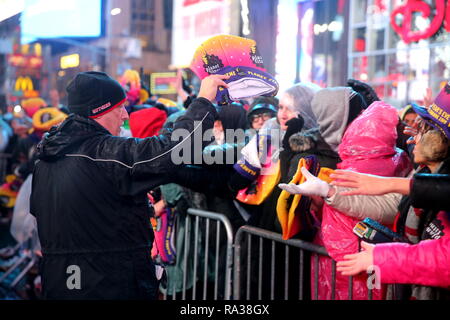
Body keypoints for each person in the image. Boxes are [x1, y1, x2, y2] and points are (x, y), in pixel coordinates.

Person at [30, 71, 228, 300]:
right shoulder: (103, 153)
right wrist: (203, 101)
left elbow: (83, 215)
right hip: (104, 284)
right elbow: (174, 150)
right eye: (119, 107)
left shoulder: (46, 159)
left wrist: (134, 207)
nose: (125, 115)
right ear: (100, 110)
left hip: (62, 281)